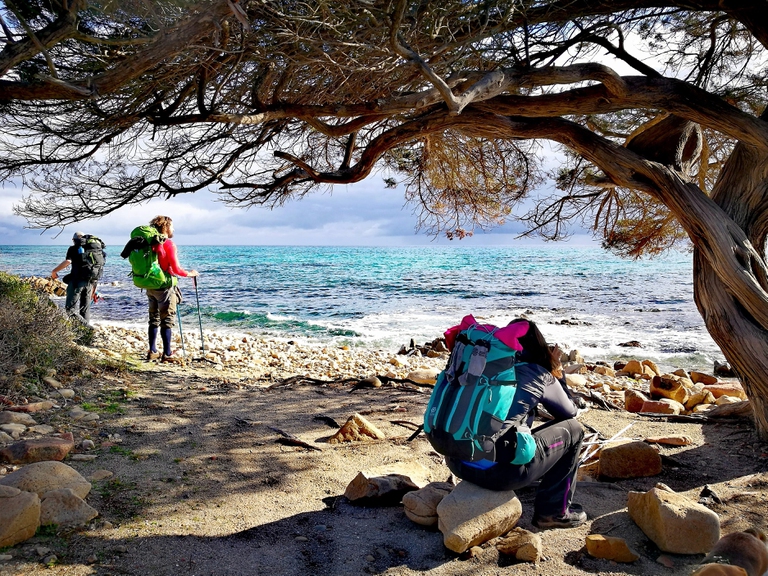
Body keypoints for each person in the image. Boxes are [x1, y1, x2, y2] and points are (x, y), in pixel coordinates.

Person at [444, 319, 587, 530]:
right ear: (539, 347)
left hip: (457, 461)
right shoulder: (536, 372)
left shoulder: (479, 364)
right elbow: (568, 412)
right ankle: (554, 512)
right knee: (574, 430)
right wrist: (558, 373)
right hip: (501, 475)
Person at [144, 215, 198, 362]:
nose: (173, 229)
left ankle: (152, 350)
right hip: (165, 286)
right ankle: (167, 354)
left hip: (150, 285)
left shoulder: (150, 243)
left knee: (153, 319)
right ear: (166, 227)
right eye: (172, 226)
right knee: (166, 320)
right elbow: (175, 268)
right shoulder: (169, 244)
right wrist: (190, 273)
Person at [51, 231, 99, 326]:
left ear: (74, 240)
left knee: (70, 309)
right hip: (90, 282)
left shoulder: (73, 248)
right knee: (85, 309)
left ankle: (87, 327)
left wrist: (54, 271)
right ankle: (85, 332)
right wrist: (94, 287)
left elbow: (68, 261)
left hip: (76, 282)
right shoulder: (93, 250)